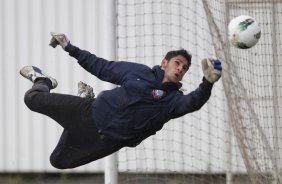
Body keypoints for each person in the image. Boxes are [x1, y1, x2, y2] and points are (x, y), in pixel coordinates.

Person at [20, 32, 222, 169]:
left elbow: (193, 102)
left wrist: (208, 82)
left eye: (185, 68)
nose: (180, 69)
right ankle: (43, 80)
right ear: (164, 63)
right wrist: (69, 47)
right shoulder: (138, 72)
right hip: (88, 113)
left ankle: (78, 109)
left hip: (104, 142)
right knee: (32, 98)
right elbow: (102, 67)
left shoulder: (173, 101)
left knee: (58, 161)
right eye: (178, 63)